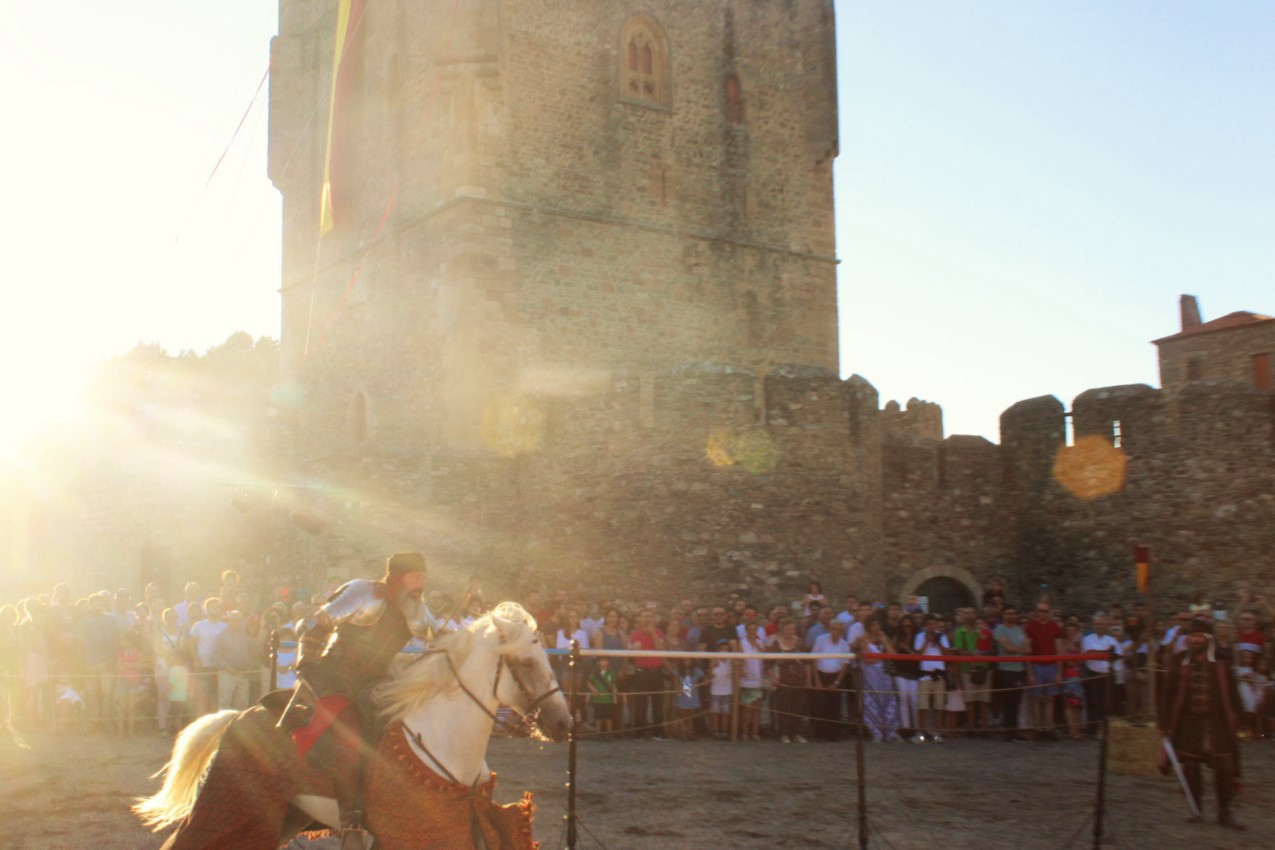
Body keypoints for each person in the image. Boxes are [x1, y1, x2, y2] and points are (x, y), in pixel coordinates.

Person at [293, 551, 440, 845]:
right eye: (416, 577)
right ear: (399, 577)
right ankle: (350, 822)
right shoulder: (366, 593)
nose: (421, 583)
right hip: (336, 680)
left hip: (375, 684)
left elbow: (441, 638)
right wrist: (307, 664)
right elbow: (314, 622)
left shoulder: (418, 610)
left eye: (423, 577)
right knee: (350, 740)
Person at [1159, 618, 1244, 830]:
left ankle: (1225, 813)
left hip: (1217, 724)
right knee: (1191, 769)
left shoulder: (1222, 662)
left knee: (1224, 768)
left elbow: (1232, 693)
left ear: (1207, 639)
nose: (1195, 640)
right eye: (1192, 636)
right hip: (1189, 724)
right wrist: (1163, 722)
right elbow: (1168, 694)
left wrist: (1241, 718)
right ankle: (1196, 810)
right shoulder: (1180, 661)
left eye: (1199, 636)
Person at [1025, 600, 1063, 740]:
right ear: (1036, 612)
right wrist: (1030, 672)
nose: (1042, 613)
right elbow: (1028, 651)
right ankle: (1038, 729)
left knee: (1050, 699)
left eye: (1045, 611)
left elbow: (1058, 649)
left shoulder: (1054, 627)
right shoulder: (1031, 627)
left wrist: (1059, 672)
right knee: (1037, 699)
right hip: (1037, 666)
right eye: (1040, 610)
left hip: (1051, 665)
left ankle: (1049, 728)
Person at [857, 617, 900, 742]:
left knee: (889, 702)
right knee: (872, 704)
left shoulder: (883, 639)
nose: (877, 627)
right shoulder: (863, 640)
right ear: (869, 626)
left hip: (885, 677)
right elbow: (867, 659)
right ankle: (876, 732)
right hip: (871, 677)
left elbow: (894, 656)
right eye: (874, 624)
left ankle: (890, 732)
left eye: (878, 624)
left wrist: (885, 642)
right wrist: (883, 656)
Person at [627, 608, 667, 740]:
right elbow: (637, 653)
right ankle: (640, 732)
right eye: (644, 616)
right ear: (640, 619)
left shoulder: (659, 633)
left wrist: (653, 633)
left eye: (650, 616)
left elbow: (660, 649)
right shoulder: (635, 634)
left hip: (656, 672)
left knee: (658, 702)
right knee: (640, 702)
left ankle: (658, 732)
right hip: (642, 672)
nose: (647, 619)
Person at [769, 617, 808, 744]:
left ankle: (797, 733)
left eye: (792, 629)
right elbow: (768, 663)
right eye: (788, 629)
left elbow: (807, 661)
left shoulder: (799, 643)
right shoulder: (776, 643)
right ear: (782, 630)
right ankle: (784, 733)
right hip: (783, 680)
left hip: (797, 679)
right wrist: (773, 678)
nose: (790, 631)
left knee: (797, 708)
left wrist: (806, 678)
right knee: (784, 707)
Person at [914, 613, 950, 743]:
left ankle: (936, 732)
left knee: (939, 705)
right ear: (925, 625)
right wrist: (927, 641)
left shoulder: (942, 637)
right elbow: (918, 653)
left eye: (934, 624)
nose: (932, 627)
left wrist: (938, 641)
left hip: (939, 674)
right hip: (925, 674)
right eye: (929, 624)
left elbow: (946, 653)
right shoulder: (919, 636)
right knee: (922, 705)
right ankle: (921, 732)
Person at [589, 656, 619, 739]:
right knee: (598, 718)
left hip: (608, 699)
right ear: (598, 663)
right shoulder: (595, 673)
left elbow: (613, 684)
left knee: (608, 717)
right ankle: (598, 734)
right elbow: (589, 683)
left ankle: (608, 733)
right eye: (602, 661)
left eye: (606, 661)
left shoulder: (611, 673)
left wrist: (615, 693)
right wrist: (593, 689)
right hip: (598, 699)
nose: (604, 662)